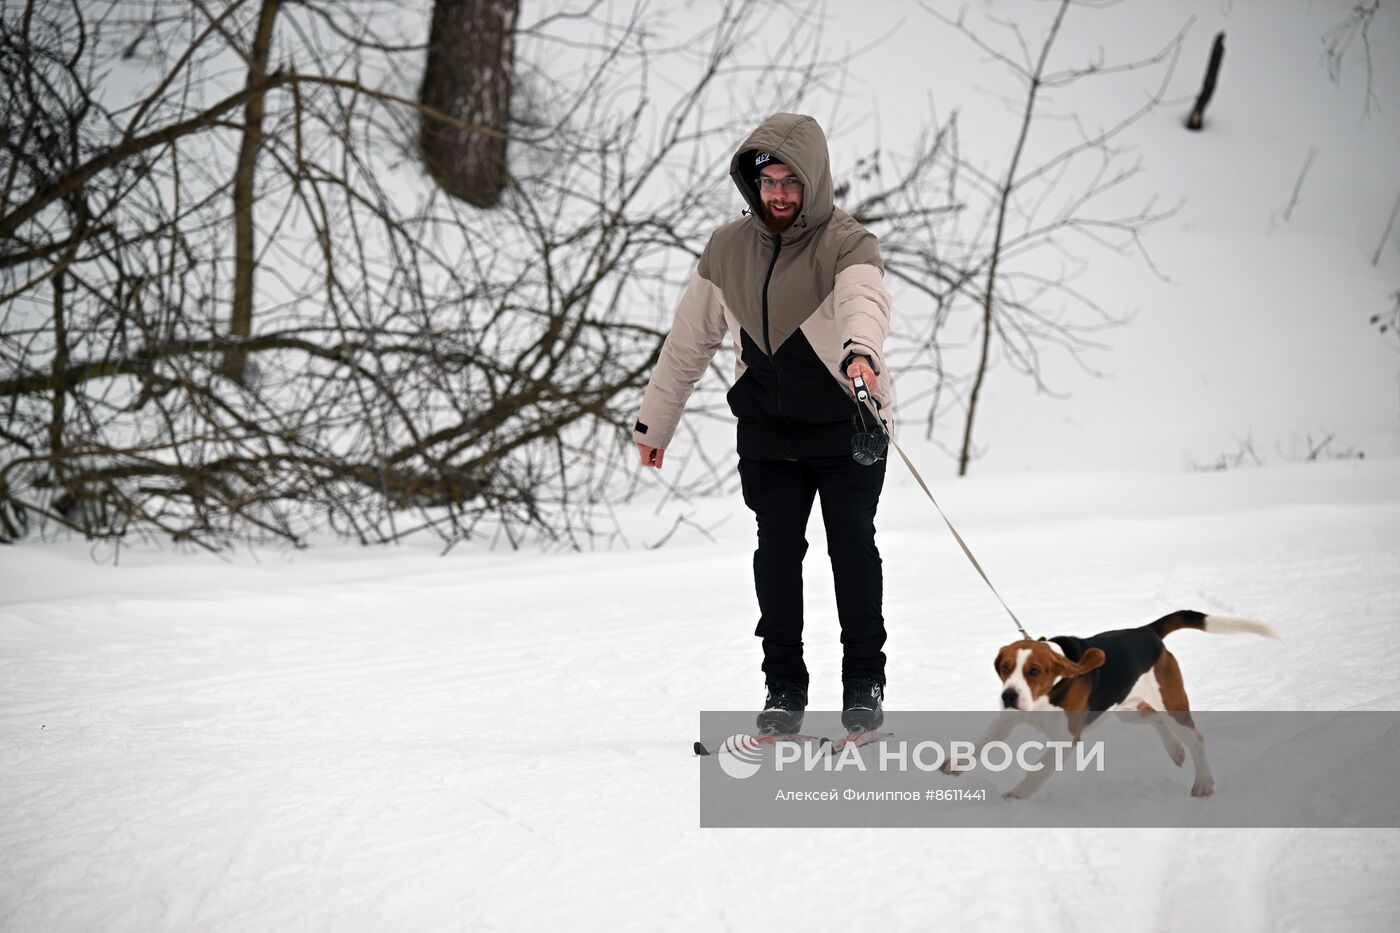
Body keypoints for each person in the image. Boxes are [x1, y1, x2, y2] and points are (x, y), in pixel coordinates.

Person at [633, 113, 895, 736]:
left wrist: (861, 351)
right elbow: (688, 343)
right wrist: (654, 427)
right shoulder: (728, 248)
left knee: (850, 547)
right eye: (768, 182)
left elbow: (865, 300)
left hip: (846, 424)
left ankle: (863, 682)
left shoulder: (847, 242)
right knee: (777, 555)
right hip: (769, 433)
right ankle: (784, 690)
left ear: (815, 182)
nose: (778, 195)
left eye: (791, 183)